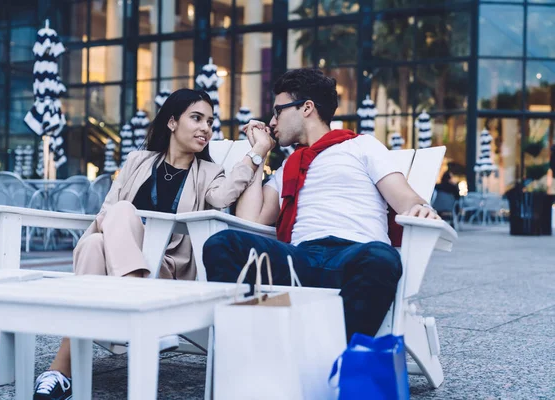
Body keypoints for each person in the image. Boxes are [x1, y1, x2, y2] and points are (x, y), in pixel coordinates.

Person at [33, 89, 275, 400]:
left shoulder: (209, 172)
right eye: (197, 118)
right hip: (121, 262)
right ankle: (133, 310)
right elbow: (108, 208)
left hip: (167, 268)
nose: (206, 128)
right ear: (172, 122)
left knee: (107, 229)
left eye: (210, 122)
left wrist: (257, 152)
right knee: (97, 240)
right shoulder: (137, 160)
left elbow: (224, 196)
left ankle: (62, 370)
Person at [203, 68, 440, 341]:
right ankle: (247, 349)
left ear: (306, 108)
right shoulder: (287, 168)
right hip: (301, 260)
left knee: (382, 259)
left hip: (355, 256)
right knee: (222, 244)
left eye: (278, 111)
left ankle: (333, 356)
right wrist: (259, 152)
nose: (272, 121)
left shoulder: (361, 146)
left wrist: (422, 208)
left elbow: (405, 198)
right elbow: (251, 221)